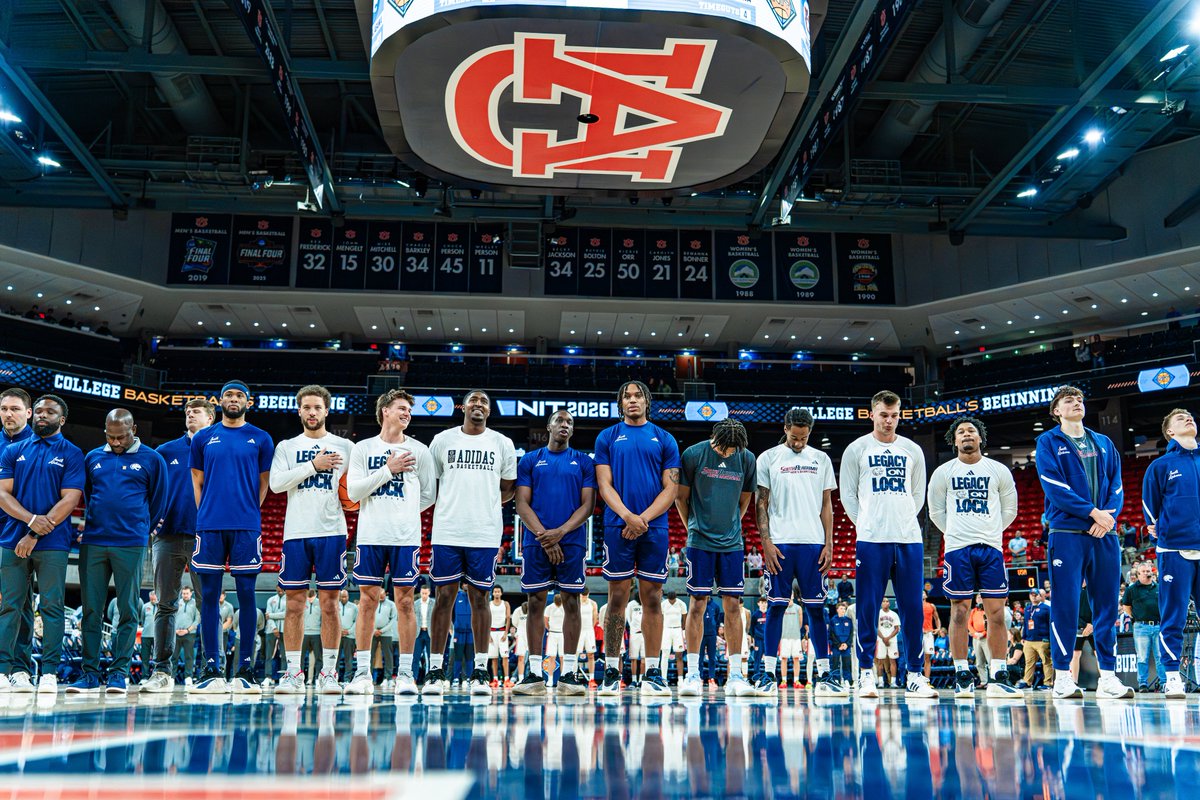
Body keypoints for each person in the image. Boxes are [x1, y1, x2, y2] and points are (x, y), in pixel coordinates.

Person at [1034, 385, 1131, 700]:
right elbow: (1053, 486)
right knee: (1065, 604)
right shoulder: (1048, 442)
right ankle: (1062, 677)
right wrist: (1093, 513)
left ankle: (1108, 677)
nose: (1076, 402)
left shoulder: (1103, 443)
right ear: (1056, 411)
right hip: (1068, 534)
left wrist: (1108, 517)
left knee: (1106, 605)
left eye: (1079, 399)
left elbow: (1116, 485)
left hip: (1104, 534)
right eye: (1067, 400)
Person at [839, 390, 934, 699]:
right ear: (872, 414)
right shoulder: (857, 449)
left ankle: (915, 675)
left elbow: (917, 495)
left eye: (894, 415)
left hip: (908, 538)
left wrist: (902, 518)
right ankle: (866, 673)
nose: (889, 421)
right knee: (866, 608)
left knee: (912, 611)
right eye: (884, 415)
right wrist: (866, 523)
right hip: (871, 539)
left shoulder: (912, 450)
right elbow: (847, 496)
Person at [423, 390, 517, 696]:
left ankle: (479, 670)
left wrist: (486, 505)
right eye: (473, 401)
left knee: (480, 599)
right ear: (464, 407)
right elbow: (431, 482)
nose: (479, 405)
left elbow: (508, 489)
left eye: (484, 402)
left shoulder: (502, 443)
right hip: (448, 530)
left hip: (484, 532)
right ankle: (436, 669)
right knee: (444, 598)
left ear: (489, 411)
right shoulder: (442, 440)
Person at [68, 409, 167, 695]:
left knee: (127, 609)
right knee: (91, 610)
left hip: (131, 542)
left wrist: (139, 527)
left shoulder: (152, 459)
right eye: (110, 437)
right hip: (94, 541)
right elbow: (87, 494)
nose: (116, 442)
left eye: (121, 436)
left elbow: (159, 500)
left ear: (134, 429)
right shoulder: (93, 458)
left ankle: (118, 675)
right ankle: (88, 675)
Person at [345, 388, 436, 696]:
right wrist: (388, 470)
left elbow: (429, 495)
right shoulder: (362, 449)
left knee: (406, 602)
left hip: (405, 537)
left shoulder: (420, 451)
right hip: (370, 535)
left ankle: (407, 674)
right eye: (401, 408)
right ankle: (361, 674)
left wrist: (406, 511)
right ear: (385, 410)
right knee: (368, 602)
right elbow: (354, 492)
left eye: (409, 410)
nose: (407, 413)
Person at [594, 380, 681, 697]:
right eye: (626, 396)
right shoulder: (608, 437)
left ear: (647, 401)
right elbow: (605, 486)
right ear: (621, 404)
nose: (632, 400)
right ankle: (612, 669)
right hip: (619, 525)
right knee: (616, 599)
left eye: (638, 395)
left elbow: (670, 489)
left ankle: (654, 672)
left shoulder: (665, 438)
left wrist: (642, 519)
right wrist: (628, 516)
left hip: (653, 528)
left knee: (653, 599)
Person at [188, 380, 274, 694]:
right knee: (209, 597)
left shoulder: (261, 438)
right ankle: (212, 667)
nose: (233, 399)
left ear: (248, 402)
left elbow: (264, 483)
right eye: (228, 395)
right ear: (220, 401)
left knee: (247, 597)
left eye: (239, 395)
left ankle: (246, 669)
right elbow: (197, 481)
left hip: (245, 526)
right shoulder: (203, 437)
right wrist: (207, 513)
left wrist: (248, 510)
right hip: (209, 526)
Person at [269, 384, 354, 695]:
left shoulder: (345, 447)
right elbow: (277, 485)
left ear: (326, 410)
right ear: (299, 410)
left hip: (332, 531)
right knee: (294, 604)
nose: (312, 412)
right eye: (307, 407)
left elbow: (354, 489)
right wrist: (313, 466)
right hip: (296, 533)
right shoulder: (287, 447)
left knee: (330, 604)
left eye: (317, 407)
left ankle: (329, 673)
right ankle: (293, 673)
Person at [927, 415, 1020, 698]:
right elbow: (936, 512)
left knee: (997, 614)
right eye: (961, 432)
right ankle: (961, 674)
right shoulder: (943, 472)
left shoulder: (998, 470)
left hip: (990, 547)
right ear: (954, 440)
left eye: (971, 431)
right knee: (958, 613)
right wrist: (957, 533)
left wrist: (989, 531)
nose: (966, 434)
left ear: (980, 438)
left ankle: (999, 674)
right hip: (958, 549)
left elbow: (1010, 510)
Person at [0, 394, 84, 695]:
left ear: (61, 420)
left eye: (50, 412)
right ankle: (4, 670)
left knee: (50, 607)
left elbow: (71, 499)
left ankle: (48, 672)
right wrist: (31, 519)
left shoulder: (72, 453)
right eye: (38, 411)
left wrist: (34, 533)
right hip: (11, 539)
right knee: (10, 606)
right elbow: (3, 494)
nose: (42, 416)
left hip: (53, 543)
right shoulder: (13, 450)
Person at [755, 406, 842, 698]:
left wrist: (829, 543)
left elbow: (827, 504)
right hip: (779, 542)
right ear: (785, 428)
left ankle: (825, 674)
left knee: (817, 608)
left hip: (813, 543)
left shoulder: (821, 458)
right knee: (777, 606)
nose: (798, 443)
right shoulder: (768, 458)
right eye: (794, 437)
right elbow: (761, 504)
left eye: (803, 438)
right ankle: (767, 674)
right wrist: (766, 542)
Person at [512, 410, 596, 696]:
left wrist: (559, 533)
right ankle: (534, 673)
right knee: (535, 602)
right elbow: (522, 504)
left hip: (571, 541)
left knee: (572, 601)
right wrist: (545, 538)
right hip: (536, 541)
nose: (565, 425)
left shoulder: (584, 461)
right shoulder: (530, 460)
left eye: (570, 422)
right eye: (560, 420)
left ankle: (570, 673)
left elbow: (587, 506)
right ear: (549, 426)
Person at [676, 419, 756, 697]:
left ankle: (735, 674)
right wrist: (693, 529)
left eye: (732, 450)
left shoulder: (746, 458)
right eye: (723, 449)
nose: (727, 454)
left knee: (733, 604)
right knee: (697, 603)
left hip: (732, 543)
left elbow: (745, 500)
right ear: (714, 438)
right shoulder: (694, 454)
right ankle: (693, 674)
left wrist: (731, 526)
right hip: (699, 541)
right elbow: (681, 499)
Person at [142, 399, 213, 693]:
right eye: (187, 412)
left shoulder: (218, 449)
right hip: (167, 536)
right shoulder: (166, 451)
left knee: (206, 604)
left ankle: (212, 670)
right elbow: (146, 490)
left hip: (205, 537)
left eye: (196, 412)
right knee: (165, 605)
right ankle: (162, 671)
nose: (190, 416)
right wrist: (150, 521)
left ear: (211, 417)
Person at [1143, 408, 1199, 699]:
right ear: (1170, 432)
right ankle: (1173, 676)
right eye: (1180, 418)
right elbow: (1150, 505)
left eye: (1190, 416)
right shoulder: (1161, 466)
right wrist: (1155, 526)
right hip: (1174, 549)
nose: (1188, 418)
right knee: (1173, 617)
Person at [0, 388, 36, 684]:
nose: (8, 414)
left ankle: (19, 668)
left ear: (29, 413)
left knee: (21, 603)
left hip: (20, 535)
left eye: (14, 409)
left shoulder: (40, 445)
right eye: (3, 409)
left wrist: (32, 530)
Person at [1121, 561, 1164, 692]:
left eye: (1149, 571)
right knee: (1142, 657)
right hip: (1141, 626)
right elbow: (1126, 607)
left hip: (1158, 626)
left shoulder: (1158, 587)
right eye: (1144, 571)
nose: (1147, 573)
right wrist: (1136, 617)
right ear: (1138, 574)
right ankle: (1143, 684)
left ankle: (1164, 682)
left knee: (1160, 657)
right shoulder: (1131, 589)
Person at [1019, 588, 1053, 688]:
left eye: (1036, 595)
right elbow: (1026, 624)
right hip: (1029, 640)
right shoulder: (1027, 609)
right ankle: (1027, 681)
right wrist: (1024, 637)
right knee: (1029, 662)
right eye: (1032, 595)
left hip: (1042, 639)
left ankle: (1048, 683)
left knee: (1046, 662)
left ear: (1040, 596)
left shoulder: (1046, 608)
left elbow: (1050, 624)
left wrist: (1049, 639)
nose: (1034, 597)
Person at [486, 586, 512, 688]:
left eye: (498, 591)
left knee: (505, 657)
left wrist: (506, 633)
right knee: (494, 658)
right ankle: (495, 679)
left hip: (502, 632)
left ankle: (506, 679)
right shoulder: (489, 604)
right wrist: (488, 634)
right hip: (492, 632)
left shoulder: (505, 604)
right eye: (495, 591)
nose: (497, 593)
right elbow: (487, 619)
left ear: (501, 593)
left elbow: (508, 618)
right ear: (493, 593)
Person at [174, 585, 199, 684]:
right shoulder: (177, 603)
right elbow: (172, 617)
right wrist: (175, 630)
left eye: (187, 593)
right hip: (176, 633)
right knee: (173, 656)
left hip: (189, 634)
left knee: (189, 656)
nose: (185, 595)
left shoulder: (195, 604)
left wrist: (187, 630)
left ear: (191, 593)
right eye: (183, 593)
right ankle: (171, 677)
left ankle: (188, 677)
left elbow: (197, 620)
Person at [661, 591, 688, 683]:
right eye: (670, 600)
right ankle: (663, 678)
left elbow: (685, 618)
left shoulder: (681, 604)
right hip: (666, 630)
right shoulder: (663, 604)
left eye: (673, 600)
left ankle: (680, 679)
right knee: (665, 655)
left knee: (679, 655)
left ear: (676, 597)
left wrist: (683, 630)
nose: (671, 601)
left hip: (678, 630)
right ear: (667, 598)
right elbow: (660, 618)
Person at [778, 596, 804, 688]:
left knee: (796, 659)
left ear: (793, 596)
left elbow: (800, 624)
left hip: (796, 637)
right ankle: (783, 681)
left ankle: (796, 681)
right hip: (784, 637)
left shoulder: (798, 608)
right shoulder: (781, 607)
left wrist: (795, 630)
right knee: (784, 659)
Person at [875, 598, 901, 688]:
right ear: (881, 603)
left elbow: (897, 628)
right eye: (883, 601)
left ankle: (893, 682)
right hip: (881, 640)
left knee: (893, 661)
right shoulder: (877, 613)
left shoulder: (894, 614)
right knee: (880, 661)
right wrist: (883, 638)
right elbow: (875, 628)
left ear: (890, 603)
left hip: (892, 640)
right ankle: (880, 682)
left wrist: (888, 638)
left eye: (887, 601)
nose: (885, 603)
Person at [374, 592, 398, 688]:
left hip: (386, 633)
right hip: (373, 632)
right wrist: (374, 630)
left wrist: (382, 630)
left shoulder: (391, 604)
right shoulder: (373, 603)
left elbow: (393, 620)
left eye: (382, 593)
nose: (381, 595)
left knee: (388, 656)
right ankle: (369, 678)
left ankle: (388, 678)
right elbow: (368, 617)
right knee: (371, 655)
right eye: (379, 593)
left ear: (386, 593)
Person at [299, 589, 322, 683]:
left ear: (315, 595)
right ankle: (300, 677)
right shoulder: (303, 603)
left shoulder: (320, 603)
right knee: (300, 657)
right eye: (308, 598)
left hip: (317, 633)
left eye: (311, 598)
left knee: (318, 657)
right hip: (304, 634)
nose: (310, 600)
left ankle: (317, 677)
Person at [413, 583, 435, 683]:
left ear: (429, 593)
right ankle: (414, 678)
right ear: (420, 593)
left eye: (426, 593)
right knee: (416, 657)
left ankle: (430, 678)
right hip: (419, 633)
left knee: (432, 657)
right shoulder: (416, 604)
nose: (424, 595)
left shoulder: (434, 603)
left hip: (430, 633)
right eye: (423, 593)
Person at [578, 587, 599, 685]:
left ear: (589, 594)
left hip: (589, 630)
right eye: (583, 596)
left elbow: (595, 618)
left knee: (591, 655)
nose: (584, 598)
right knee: (575, 654)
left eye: (586, 596)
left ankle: (591, 679)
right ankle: (573, 676)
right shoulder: (577, 602)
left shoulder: (593, 603)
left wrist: (590, 628)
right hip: (579, 630)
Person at [264, 586, 285, 682]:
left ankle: (283, 677)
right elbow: (267, 615)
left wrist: (272, 615)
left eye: (282, 590)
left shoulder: (289, 600)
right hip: (271, 630)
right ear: (276, 588)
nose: (280, 591)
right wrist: (274, 628)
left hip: (285, 630)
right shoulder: (270, 599)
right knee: (269, 655)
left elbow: (287, 614)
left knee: (284, 655)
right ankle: (268, 677)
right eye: (278, 590)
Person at [830, 602, 853, 682]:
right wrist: (838, 644)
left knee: (846, 664)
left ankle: (847, 680)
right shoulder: (833, 620)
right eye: (841, 608)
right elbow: (831, 634)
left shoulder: (849, 620)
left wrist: (847, 644)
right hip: (836, 646)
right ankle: (836, 679)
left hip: (846, 646)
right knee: (835, 663)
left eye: (844, 609)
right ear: (837, 610)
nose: (843, 610)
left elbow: (851, 634)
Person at [625, 592, 644, 688]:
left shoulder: (646, 602)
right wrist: (633, 627)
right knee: (633, 658)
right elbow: (629, 618)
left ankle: (641, 680)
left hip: (645, 635)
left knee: (644, 659)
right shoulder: (631, 604)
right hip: (634, 634)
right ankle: (633, 680)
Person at [921, 592, 941, 679]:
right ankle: (915, 678)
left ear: (926, 596)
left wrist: (939, 628)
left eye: (923, 593)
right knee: (916, 658)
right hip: (918, 635)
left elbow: (937, 618)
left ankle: (926, 680)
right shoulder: (914, 605)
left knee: (927, 658)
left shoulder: (931, 606)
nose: (922, 594)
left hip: (928, 634)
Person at [338, 590, 357, 681]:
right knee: (335, 659)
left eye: (345, 596)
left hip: (349, 636)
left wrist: (349, 631)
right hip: (337, 637)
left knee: (348, 659)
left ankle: (347, 679)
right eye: (342, 596)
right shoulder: (336, 606)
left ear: (348, 597)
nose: (343, 598)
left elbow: (357, 621)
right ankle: (334, 677)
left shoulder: (354, 607)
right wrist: (339, 631)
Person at [140, 591, 157, 679]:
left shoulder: (161, 607)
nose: (153, 599)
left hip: (157, 637)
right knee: (145, 658)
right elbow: (142, 619)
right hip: (145, 635)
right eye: (152, 598)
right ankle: (144, 677)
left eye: (155, 598)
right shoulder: (145, 606)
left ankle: (154, 676)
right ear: (149, 597)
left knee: (156, 658)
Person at [511, 601, 528, 680]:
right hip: (521, 634)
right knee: (521, 657)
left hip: (532, 634)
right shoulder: (518, 610)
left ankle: (531, 678)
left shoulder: (534, 608)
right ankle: (521, 679)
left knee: (532, 659)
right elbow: (514, 622)